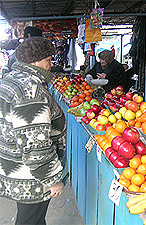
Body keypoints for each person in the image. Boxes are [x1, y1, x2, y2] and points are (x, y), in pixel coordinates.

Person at [0, 36, 68, 225]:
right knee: (31, 219)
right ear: (36, 60)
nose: (51, 64)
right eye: (48, 60)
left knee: (32, 218)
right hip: (30, 175)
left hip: (16, 164)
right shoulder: (30, 90)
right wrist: (52, 179)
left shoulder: (12, 79)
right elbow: (35, 144)